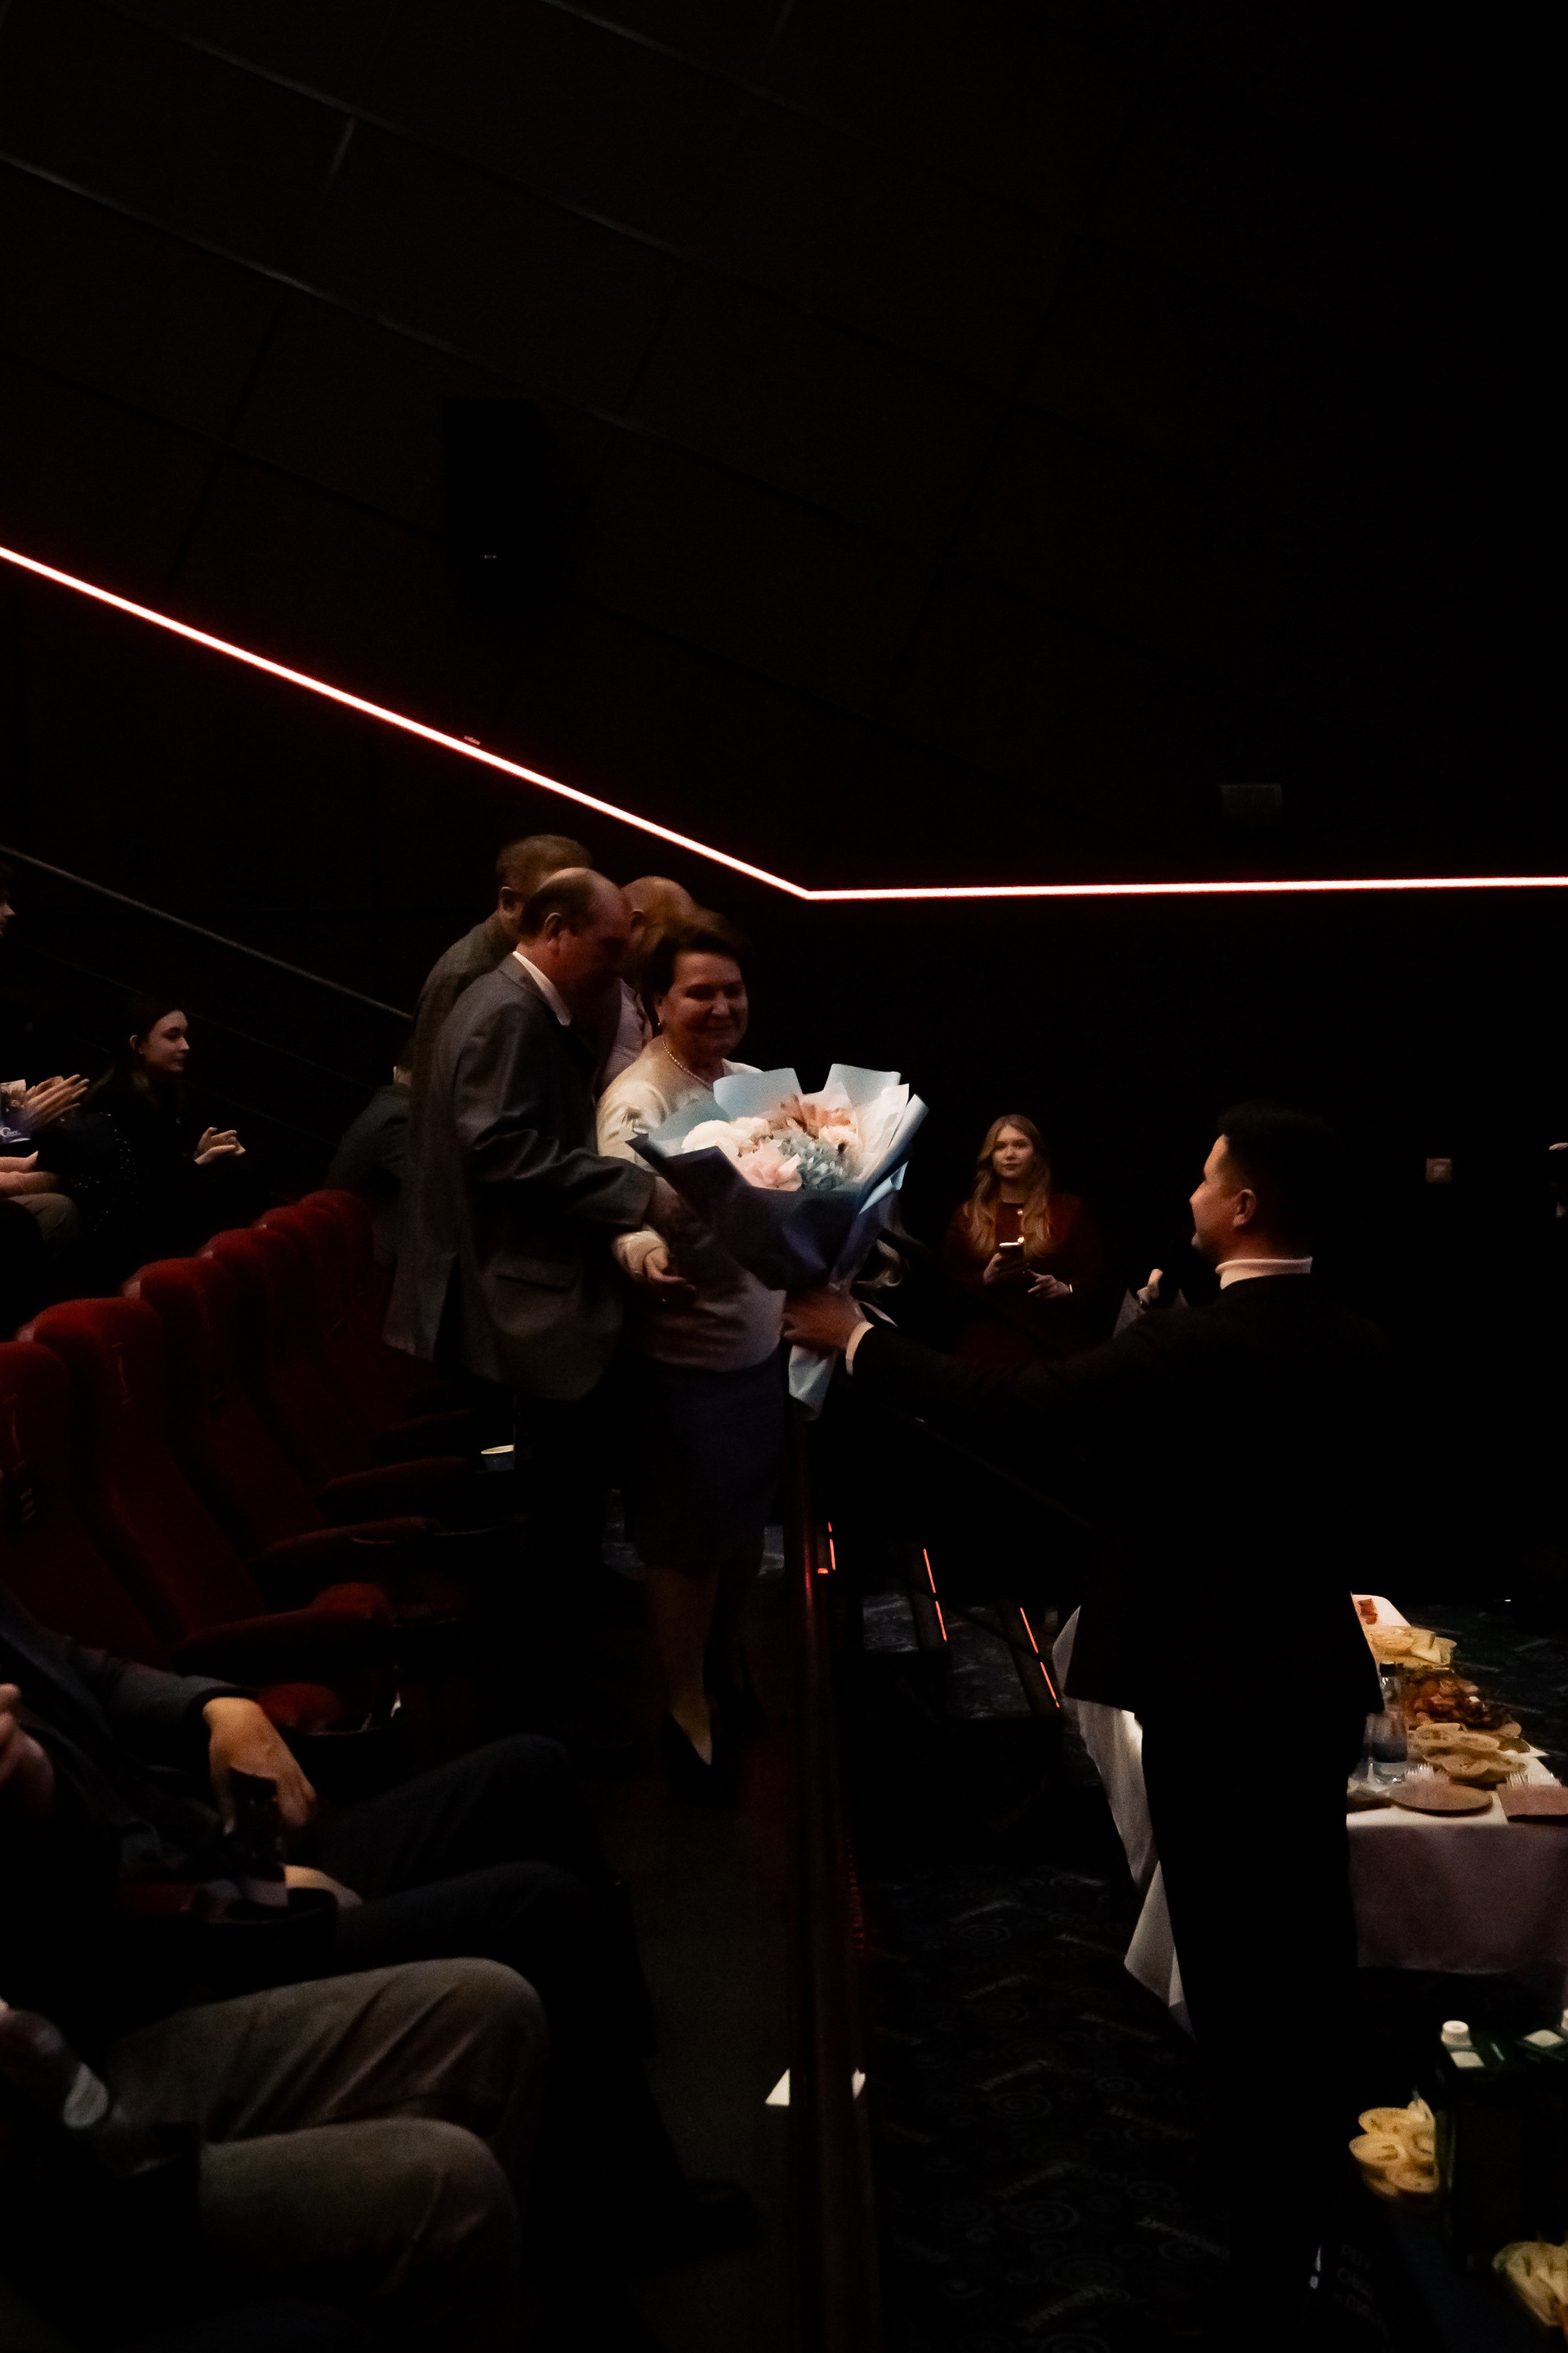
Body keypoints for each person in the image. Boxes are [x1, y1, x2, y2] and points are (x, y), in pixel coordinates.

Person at [784, 1102, 1390, 2338]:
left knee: (1239, 1975)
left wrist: (856, 1340)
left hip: (1218, 1694)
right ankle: (1318, 2208)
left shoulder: (1201, 1344)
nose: (1194, 1188)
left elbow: (1017, 1407)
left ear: (1244, 1207)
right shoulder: (1353, 1339)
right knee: (1306, 1953)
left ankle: (1266, 2261)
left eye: (1210, 1174)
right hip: (1315, 1682)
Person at [0, 1588, 750, 2334]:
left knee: (534, 1770)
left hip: (211, 1839)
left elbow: (92, 1674)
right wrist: (223, 1886)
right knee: (536, 1911)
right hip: (183, 1927)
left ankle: (631, 2178)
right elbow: (65, 1936)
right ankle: (594, 2259)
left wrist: (219, 1706)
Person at [386, 871, 657, 1595]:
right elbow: (499, 1149)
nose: (620, 966)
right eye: (608, 945)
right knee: (552, 1488)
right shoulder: (509, 1011)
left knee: (555, 1484)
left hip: (501, 1273)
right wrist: (637, 1192)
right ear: (557, 930)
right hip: (510, 1288)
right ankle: (559, 1622)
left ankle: (563, 1602)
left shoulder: (504, 999)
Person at [597, 914, 783, 1794]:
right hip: (682, 1360)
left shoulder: (753, 1084)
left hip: (758, 1346)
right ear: (656, 1002)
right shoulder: (636, 1099)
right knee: (685, 1546)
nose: (720, 1007)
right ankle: (684, 1709)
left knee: (742, 1533)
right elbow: (619, 1210)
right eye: (699, 992)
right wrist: (641, 1255)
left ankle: (724, 1667)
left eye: (732, 991)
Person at [53, 995, 247, 1285]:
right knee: (237, 1178)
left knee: (238, 1171)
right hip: (126, 1226)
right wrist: (197, 1163)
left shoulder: (165, 1090)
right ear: (138, 1045)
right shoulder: (120, 1098)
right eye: (172, 1036)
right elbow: (139, 1187)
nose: (185, 1046)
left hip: (154, 1207)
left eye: (185, 1036)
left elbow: (162, 1169)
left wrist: (199, 1154)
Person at [405, 833, 590, 1112]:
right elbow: (433, 1097)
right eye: (548, 907)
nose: (563, 924)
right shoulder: (462, 974)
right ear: (509, 903)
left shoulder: (539, 961)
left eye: (577, 909)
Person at [939, 1112, 1111, 1368]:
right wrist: (985, 1279)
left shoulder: (1068, 1210)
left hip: (1053, 1352)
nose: (1009, 1154)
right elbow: (942, 1291)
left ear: (1036, 1153)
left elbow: (1100, 1280)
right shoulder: (967, 1215)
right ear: (990, 1156)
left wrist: (1065, 1288)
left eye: (1020, 1145)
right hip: (984, 1357)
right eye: (1000, 1147)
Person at [598, 875, 697, 1093]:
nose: (680, 953)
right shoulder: (594, 997)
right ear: (634, 923)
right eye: (672, 938)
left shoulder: (645, 996)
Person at [325, 1052, 412, 1267]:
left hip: (344, 1234)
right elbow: (430, 1185)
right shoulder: (401, 1116)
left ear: (395, 1073)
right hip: (366, 1253)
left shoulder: (385, 1104)